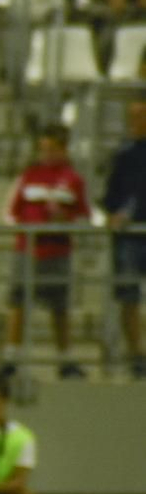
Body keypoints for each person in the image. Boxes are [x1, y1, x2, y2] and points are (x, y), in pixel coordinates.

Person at [2, 124, 91, 380]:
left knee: (59, 306)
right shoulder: (29, 175)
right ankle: (11, 358)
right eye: (43, 149)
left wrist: (65, 219)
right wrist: (27, 228)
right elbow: (10, 212)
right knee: (18, 302)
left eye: (52, 149)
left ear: (63, 149)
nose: (46, 154)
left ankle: (65, 360)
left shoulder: (73, 180)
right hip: (28, 249)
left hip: (58, 250)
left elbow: (84, 215)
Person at [104, 99, 146, 379]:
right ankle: (137, 355)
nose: (136, 123)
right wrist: (113, 214)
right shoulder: (124, 154)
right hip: (131, 235)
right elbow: (111, 196)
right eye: (133, 117)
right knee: (128, 295)